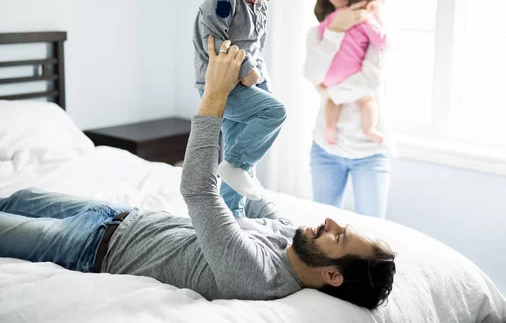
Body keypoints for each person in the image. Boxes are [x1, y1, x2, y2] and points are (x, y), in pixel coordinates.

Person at [0, 36, 396, 309]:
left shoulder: (258, 275)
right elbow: (246, 189)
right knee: (18, 197)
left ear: (332, 275)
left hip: (88, 247)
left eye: (338, 236)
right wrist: (255, 113)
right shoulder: (289, 241)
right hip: (117, 214)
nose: (329, 221)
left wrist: (215, 96)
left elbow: (199, 191)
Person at [193, 0, 301, 217]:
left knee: (240, 144)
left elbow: (253, 42)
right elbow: (213, 41)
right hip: (221, 84)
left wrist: (259, 75)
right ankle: (236, 166)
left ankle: (234, 214)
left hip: (247, 81)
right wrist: (246, 69)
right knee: (274, 113)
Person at [304, 0, 393, 219]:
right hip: (325, 149)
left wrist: (330, 92)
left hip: (370, 153)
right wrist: (335, 32)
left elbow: (371, 80)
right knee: (324, 232)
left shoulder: (374, 25)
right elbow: (311, 74)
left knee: (373, 234)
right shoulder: (318, 31)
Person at [319, 0, 387, 145]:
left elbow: (322, 30)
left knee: (333, 100)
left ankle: (330, 128)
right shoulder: (367, 20)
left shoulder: (339, 15)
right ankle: (369, 128)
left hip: (330, 74)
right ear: (372, 6)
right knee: (367, 99)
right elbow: (382, 42)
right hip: (350, 73)